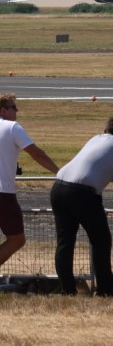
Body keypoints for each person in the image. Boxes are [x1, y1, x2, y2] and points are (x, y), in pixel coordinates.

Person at [0, 92, 58, 293]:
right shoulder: (12, 127)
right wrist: (58, 171)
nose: (16, 111)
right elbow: (35, 152)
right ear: (4, 110)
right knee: (17, 239)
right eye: (13, 107)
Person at [49, 118, 113, 297]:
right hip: (83, 193)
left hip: (59, 187)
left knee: (65, 242)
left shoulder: (96, 139)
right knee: (101, 240)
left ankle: (67, 290)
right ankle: (105, 290)